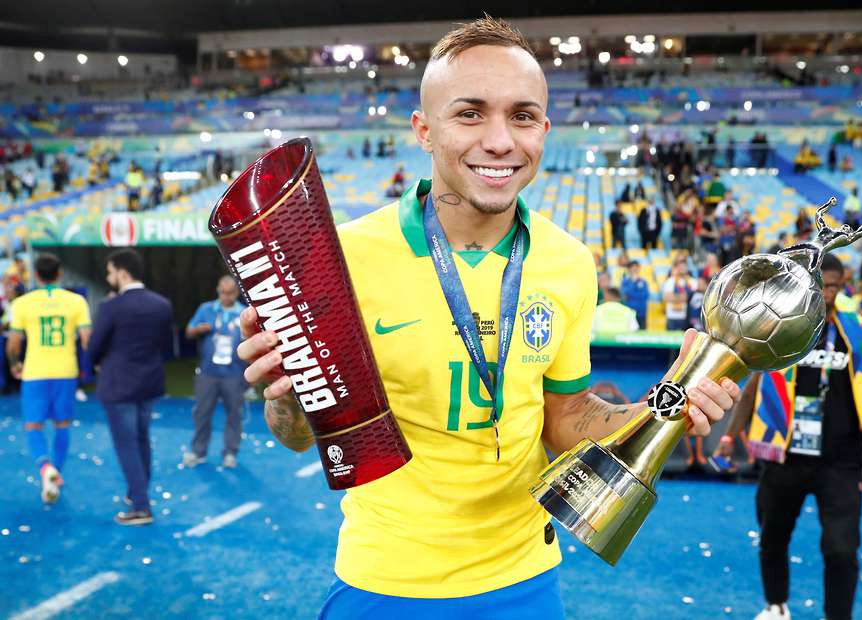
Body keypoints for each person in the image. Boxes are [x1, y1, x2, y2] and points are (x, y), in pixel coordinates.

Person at [234, 17, 740, 618]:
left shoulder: (568, 262)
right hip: (384, 580)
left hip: (525, 578)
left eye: (522, 116)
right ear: (425, 130)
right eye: (470, 114)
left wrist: (663, 409)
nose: (500, 141)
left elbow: (566, 416)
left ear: (543, 131)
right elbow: (298, 437)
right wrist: (286, 396)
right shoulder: (340, 260)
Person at [714, 254, 862, 620]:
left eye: (835, 286)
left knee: (841, 550)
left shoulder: (860, 337)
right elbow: (755, 386)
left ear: (843, 286)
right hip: (784, 457)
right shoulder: (780, 329)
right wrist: (730, 437)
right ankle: (776, 606)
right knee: (772, 538)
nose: (827, 294)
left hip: (840, 462)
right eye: (822, 286)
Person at [88, 249, 173, 526]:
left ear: (122, 273)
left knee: (127, 444)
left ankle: (140, 506)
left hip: (118, 384)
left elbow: (94, 347)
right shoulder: (162, 304)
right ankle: (137, 492)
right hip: (149, 382)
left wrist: (97, 362)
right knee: (141, 439)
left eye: (110, 272)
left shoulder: (111, 307)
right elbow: (163, 345)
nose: (108, 277)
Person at [5, 254, 91, 503]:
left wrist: (14, 365)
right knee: (62, 425)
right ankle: (55, 474)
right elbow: (88, 340)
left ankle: (45, 468)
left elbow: (13, 343)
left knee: (34, 426)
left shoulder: (22, 303)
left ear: (36, 275)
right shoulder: (77, 301)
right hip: (65, 371)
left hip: (35, 372)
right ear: (59, 273)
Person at [181, 276, 248, 469]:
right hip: (207, 373)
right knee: (201, 412)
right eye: (223, 292)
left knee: (234, 414)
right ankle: (198, 451)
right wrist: (199, 329)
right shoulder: (206, 309)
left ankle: (230, 452)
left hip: (234, 373)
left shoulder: (244, 314)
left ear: (236, 292)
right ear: (218, 291)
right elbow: (188, 331)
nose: (226, 296)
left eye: (230, 293)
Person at [662, 257, 694, 331]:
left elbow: (691, 298)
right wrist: (683, 297)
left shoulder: (691, 281)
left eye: (684, 266)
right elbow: (667, 297)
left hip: (686, 317)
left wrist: (675, 297)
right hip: (672, 316)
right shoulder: (670, 281)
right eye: (680, 267)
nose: (682, 269)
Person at [619, 261, 649, 329]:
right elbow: (624, 295)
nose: (635, 271)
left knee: (642, 332)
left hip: (641, 312)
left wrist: (631, 295)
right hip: (628, 312)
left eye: (636, 269)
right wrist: (633, 282)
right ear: (629, 270)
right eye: (633, 269)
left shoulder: (643, 282)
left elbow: (645, 296)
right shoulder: (625, 282)